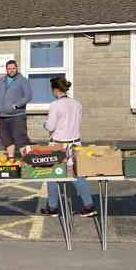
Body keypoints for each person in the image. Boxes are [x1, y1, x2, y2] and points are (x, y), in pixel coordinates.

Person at [40, 77, 97, 217]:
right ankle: (89, 206)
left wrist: (44, 124)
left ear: (55, 90)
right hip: (75, 143)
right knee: (78, 175)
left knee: (52, 176)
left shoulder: (55, 105)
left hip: (58, 145)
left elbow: (51, 126)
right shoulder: (77, 104)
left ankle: (52, 208)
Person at [0, 60, 33, 158]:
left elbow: (28, 96)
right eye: (9, 69)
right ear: (6, 69)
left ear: (16, 68)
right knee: (6, 139)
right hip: (3, 116)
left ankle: (26, 162)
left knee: (20, 139)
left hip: (17, 116)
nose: (11, 71)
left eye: (13, 68)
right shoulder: (1, 81)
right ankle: (11, 159)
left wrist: (16, 106)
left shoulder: (22, 80)